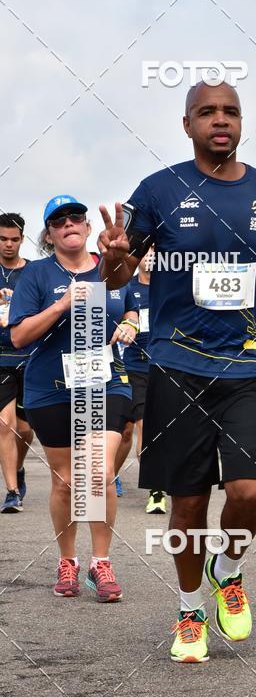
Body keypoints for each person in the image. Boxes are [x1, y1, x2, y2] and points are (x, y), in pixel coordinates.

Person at [98, 80, 256, 664]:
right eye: (207, 112)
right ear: (186, 124)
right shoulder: (159, 190)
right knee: (187, 505)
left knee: (248, 490)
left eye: (231, 111)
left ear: (242, 123)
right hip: (175, 365)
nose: (221, 120)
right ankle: (190, 611)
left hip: (245, 364)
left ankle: (228, 570)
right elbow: (117, 277)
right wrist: (115, 257)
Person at [9, 195, 138, 600]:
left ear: (86, 227)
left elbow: (131, 305)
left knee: (98, 474)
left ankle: (101, 563)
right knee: (66, 483)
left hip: (106, 381)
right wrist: (63, 303)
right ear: (49, 234)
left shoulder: (109, 266)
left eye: (76, 217)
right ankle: (68, 561)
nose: (69, 223)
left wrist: (131, 322)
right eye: (59, 220)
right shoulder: (37, 276)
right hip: (51, 386)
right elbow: (18, 335)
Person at [114, 251, 167, 514]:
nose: (151, 257)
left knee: (157, 428)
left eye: (155, 253)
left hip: (166, 367)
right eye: (146, 253)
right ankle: (110, 476)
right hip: (134, 366)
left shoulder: (170, 285)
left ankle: (158, 487)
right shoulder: (128, 286)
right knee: (128, 430)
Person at [0, 213, 33, 512]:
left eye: (14, 239)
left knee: (25, 430)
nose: (8, 245)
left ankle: (19, 469)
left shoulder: (34, 272)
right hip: (1, 359)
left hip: (31, 357)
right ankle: (11, 491)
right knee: (4, 424)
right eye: (2, 239)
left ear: (22, 239)